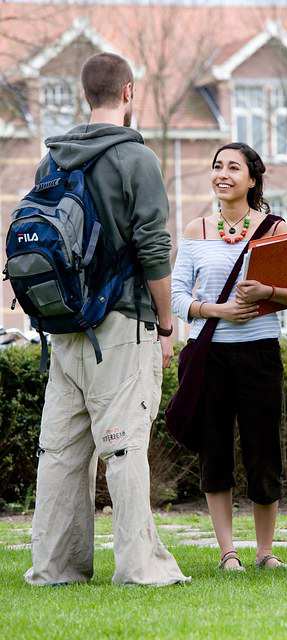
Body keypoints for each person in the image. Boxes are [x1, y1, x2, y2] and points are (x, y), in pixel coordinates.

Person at [24, 52, 189, 586]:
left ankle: (56, 567)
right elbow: (153, 245)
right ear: (129, 91)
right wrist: (166, 325)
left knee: (62, 452)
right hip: (121, 322)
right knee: (123, 446)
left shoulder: (51, 162)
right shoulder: (135, 159)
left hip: (64, 325)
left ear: (84, 93)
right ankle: (139, 568)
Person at [172, 142, 287, 570]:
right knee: (214, 452)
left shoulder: (275, 228)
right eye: (217, 166)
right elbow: (177, 299)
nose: (223, 174)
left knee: (263, 451)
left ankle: (266, 552)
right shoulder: (195, 230)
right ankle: (227, 552)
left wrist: (267, 292)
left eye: (234, 167)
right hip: (209, 357)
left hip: (259, 356)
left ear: (253, 178)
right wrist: (218, 310)